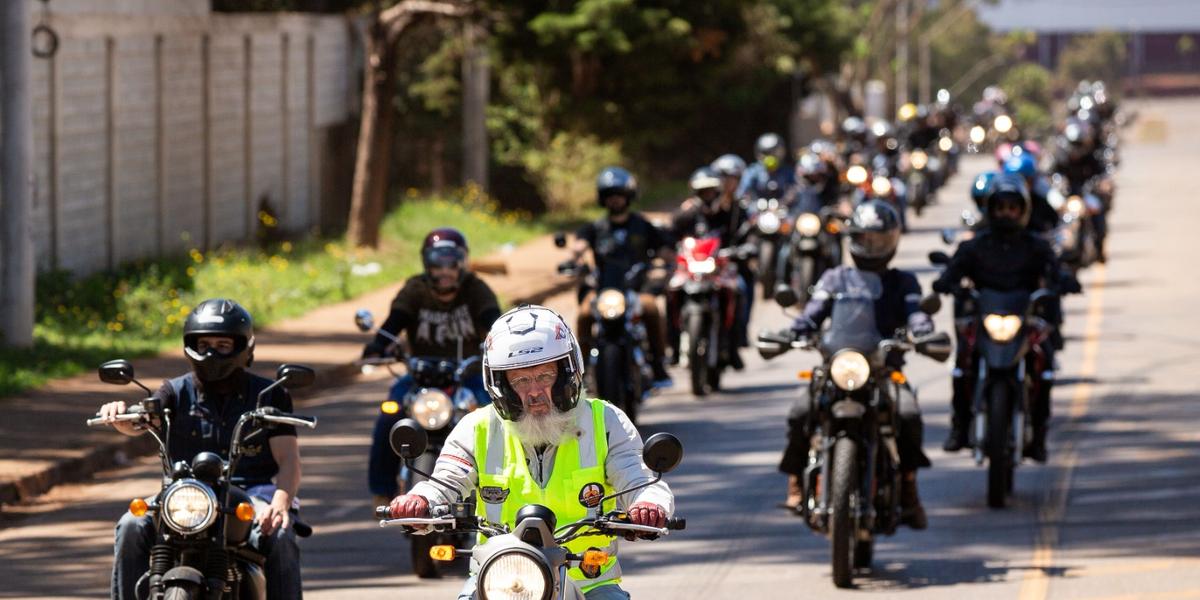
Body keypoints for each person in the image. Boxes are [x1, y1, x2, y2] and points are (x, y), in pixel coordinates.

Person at [386, 305, 675, 599]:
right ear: (501, 386)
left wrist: (649, 505)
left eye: (546, 376)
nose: (535, 392)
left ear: (567, 374)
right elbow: (445, 481)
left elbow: (638, 478)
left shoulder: (606, 421)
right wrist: (419, 500)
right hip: (498, 580)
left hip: (589, 582)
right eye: (521, 380)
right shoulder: (477, 427)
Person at [97, 299, 304, 599]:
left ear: (243, 347)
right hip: (184, 497)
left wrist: (282, 502)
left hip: (250, 495)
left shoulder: (269, 396)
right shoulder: (174, 391)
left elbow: (288, 460)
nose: (211, 352)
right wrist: (119, 416)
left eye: (222, 344)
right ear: (189, 345)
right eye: (203, 343)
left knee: (282, 534)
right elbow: (144, 418)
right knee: (130, 524)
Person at [774, 200, 932, 529]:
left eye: (879, 240)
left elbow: (916, 312)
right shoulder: (835, 278)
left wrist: (923, 332)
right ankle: (794, 483)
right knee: (801, 411)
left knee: (908, 415)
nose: (871, 246)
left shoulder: (903, 282)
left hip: (883, 371)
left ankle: (908, 488)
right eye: (865, 238)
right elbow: (813, 312)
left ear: (892, 241)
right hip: (838, 366)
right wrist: (794, 332)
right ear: (853, 238)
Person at [933, 174, 1076, 462]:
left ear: (1023, 211)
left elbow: (1054, 269)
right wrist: (946, 282)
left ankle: (1038, 436)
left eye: (1013, 207)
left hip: (1022, 319)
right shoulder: (975, 246)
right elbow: (954, 271)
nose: (1006, 213)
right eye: (1001, 207)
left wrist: (1064, 281)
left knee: (1044, 364)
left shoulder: (1036, 245)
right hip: (985, 318)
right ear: (990, 209)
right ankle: (959, 427)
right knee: (962, 364)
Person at [362, 228, 501, 507]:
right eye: (438, 262)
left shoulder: (475, 289)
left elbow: (493, 321)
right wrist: (378, 345)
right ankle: (383, 490)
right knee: (389, 415)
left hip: (468, 375)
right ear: (427, 263)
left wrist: (501, 341)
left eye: (452, 262)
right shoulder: (416, 289)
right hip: (419, 378)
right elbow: (395, 321)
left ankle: (498, 490)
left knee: (496, 419)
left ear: (463, 262)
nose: (445, 270)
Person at [566, 166, 673, 385]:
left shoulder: (642, 226)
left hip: (635, 289)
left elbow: (664, 249)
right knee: (584, 313)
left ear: (628, 196)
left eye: (619, 195)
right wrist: (574, 257)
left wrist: (669, 261)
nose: (615, 200)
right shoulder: (595, 228)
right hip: (604, 290)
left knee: (652, 308)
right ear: (603, 199)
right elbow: (579, 246)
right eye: (610, 196)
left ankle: (658, 364)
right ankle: (582, 369)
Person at [669, 166, 752, 369]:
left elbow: (746, 235)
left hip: (721, 270)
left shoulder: (731, 211)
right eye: (702, 191)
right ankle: (673, 346)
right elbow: (669, 235)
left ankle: (734, 346)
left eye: (711, 191)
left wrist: (743, 250)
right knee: (670, 290)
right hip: (691, 271)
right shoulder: (687, 213)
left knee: (739, 288)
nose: (707, 195)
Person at [738, 132, 797, 201]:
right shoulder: (752, 172)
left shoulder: (788, 172)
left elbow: (796, 190)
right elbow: (742, 192)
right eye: (766, 153)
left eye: (775, 152)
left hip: (783, 209)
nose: (771, 156)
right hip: (757, 210)